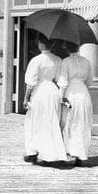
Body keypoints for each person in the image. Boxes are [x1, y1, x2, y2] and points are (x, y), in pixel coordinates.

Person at [22, 35, 67, 165]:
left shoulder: (36, 60)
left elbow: (30, 82)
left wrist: (26, 98)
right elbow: (61, 80)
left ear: (41, 44)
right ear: (52, 45)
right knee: (51, 121)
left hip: (39, 92)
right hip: (53, 91)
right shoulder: (58, 60)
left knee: (34, 121)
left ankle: (33, 152)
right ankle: (50, 153)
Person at [57, 41, 93, 166]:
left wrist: (61, 97)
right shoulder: (86, 62)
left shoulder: (66, 62)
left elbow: (63, 82)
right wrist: (82, 87)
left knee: (68, 123)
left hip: (70, 93)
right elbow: (89, 81)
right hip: (83, 94)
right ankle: (80, 154)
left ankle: (69, 151)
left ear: (67, 48)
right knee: (82, 123)